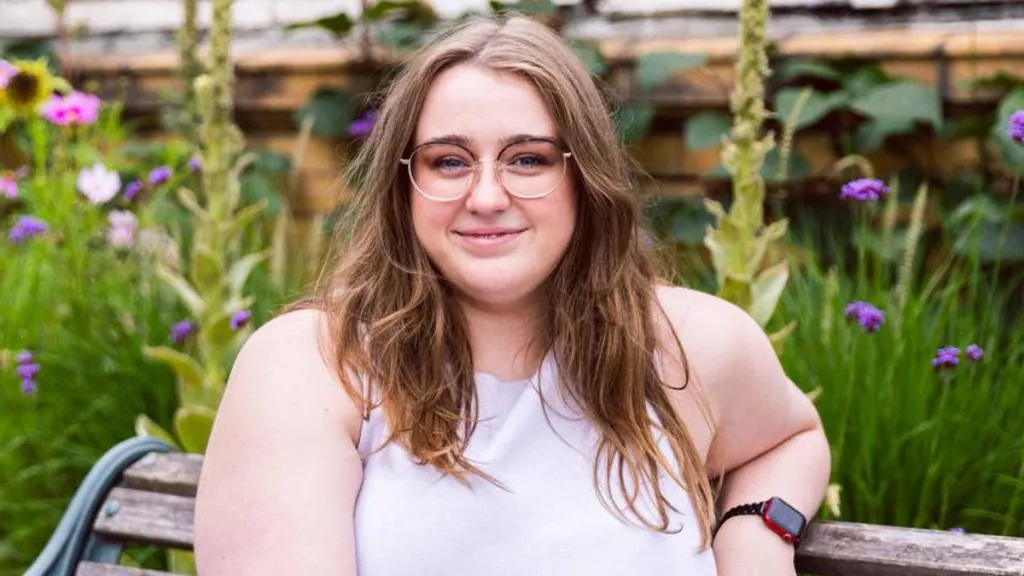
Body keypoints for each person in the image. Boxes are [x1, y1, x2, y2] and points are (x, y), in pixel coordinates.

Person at [193, 12, 830, 576]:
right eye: (449, 161)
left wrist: (755, 532)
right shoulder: (317, 368)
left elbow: (789, 438)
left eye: (528, 159)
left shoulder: (683, 345)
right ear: (403, 186)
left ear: (585, 178)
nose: (488, 196)